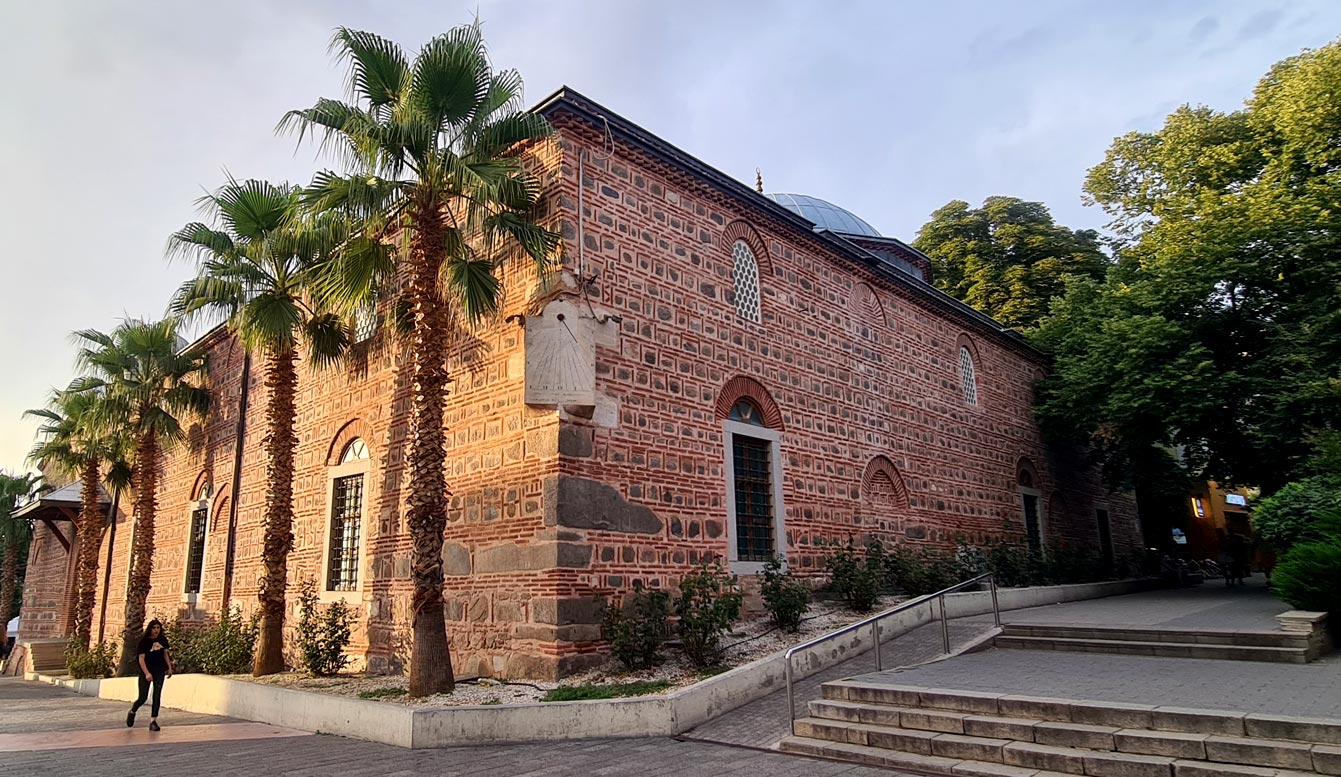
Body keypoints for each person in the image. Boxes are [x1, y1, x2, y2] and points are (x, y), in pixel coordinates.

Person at [126, 619, 173, 731]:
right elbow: (141, 659)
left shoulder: (162, 640)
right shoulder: (144, 642)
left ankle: (153, 721)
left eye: (158, 628)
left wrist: (169, 667)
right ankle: (133, 711)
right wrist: (147, 673)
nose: (156, 630)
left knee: (157, 695)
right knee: (143, 697)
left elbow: (165, 654)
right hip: (146, 670)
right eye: (154, 628)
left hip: (159, 669)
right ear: (150, 629)